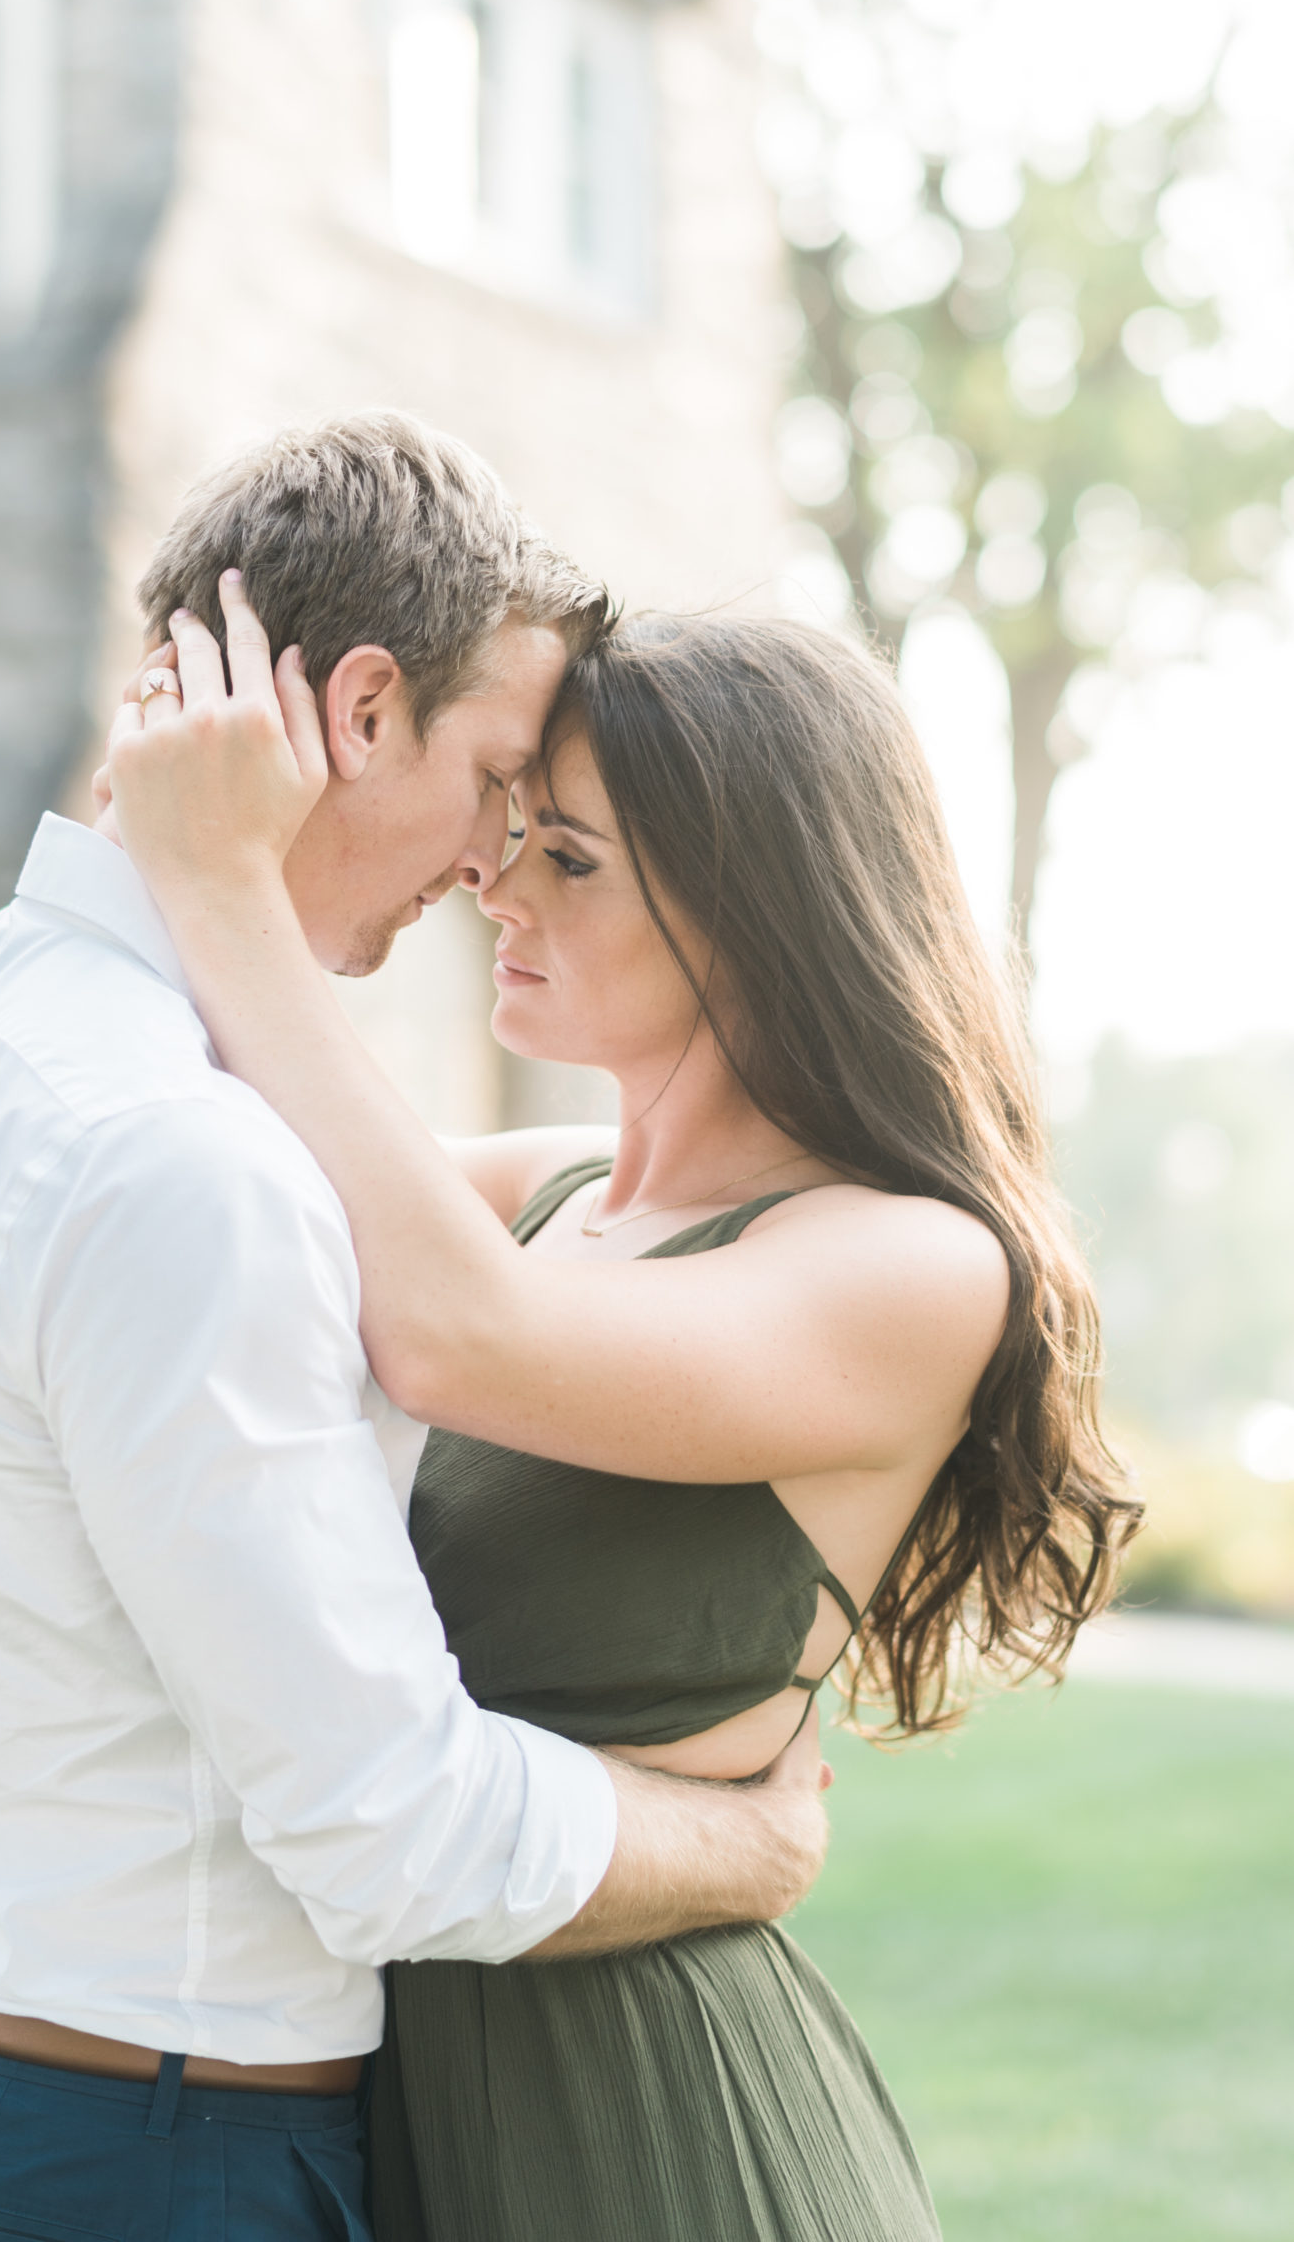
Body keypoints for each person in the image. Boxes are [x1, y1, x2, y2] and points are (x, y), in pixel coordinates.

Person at [0, 416, 832, 2242]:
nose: (498, 850)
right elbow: (389, 1828)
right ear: (359, 714)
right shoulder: (183, 1164)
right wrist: (736, 1840)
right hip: (143, 2160)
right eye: (500, 768)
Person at [104, 575, 1143, 2242]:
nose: (491, 886)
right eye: (510, 829)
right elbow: (157, 1148)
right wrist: (215, 791)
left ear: (763, 912)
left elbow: (460, 1342)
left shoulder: (909, 1267)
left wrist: (222, 889)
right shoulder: (539, 1197)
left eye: (566, 857)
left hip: (651, 2130)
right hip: (376, 2098)